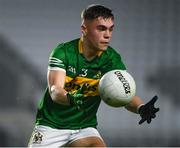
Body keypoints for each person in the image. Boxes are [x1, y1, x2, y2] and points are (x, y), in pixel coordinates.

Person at [28, 4, 159, 147]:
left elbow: (124, 94)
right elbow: (55, 90)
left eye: (111, 29)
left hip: (84, 127)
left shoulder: (111, 59)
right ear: (84, 29)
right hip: (51, 125)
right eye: (101, 28)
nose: (107, 35)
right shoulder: (64, 52)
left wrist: (141, 107)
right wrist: (70, 98)